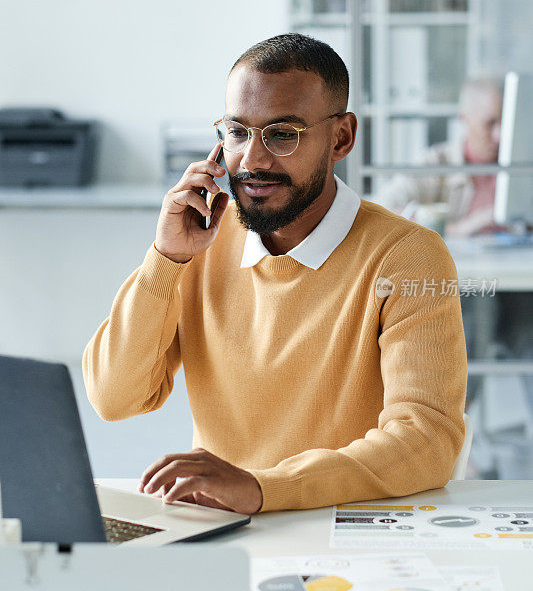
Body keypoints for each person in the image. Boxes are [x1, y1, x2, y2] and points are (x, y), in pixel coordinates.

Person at [83, 33, 467, 514]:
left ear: (341, 137)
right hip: (221, 528)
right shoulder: (200, 241)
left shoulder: (408, 256)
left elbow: (427, 440)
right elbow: (113, 398)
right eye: (238, 132)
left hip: (344, 526)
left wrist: (265, 488)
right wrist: (165, 259)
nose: (254, 159)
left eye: (282, 134)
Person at [373, 77, 504, 237]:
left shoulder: (521, 165)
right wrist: (460, 228)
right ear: (464, 119)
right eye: (489, 123)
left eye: (505, 122)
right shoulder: (436, 162)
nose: (499, 134)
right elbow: (380, 210)